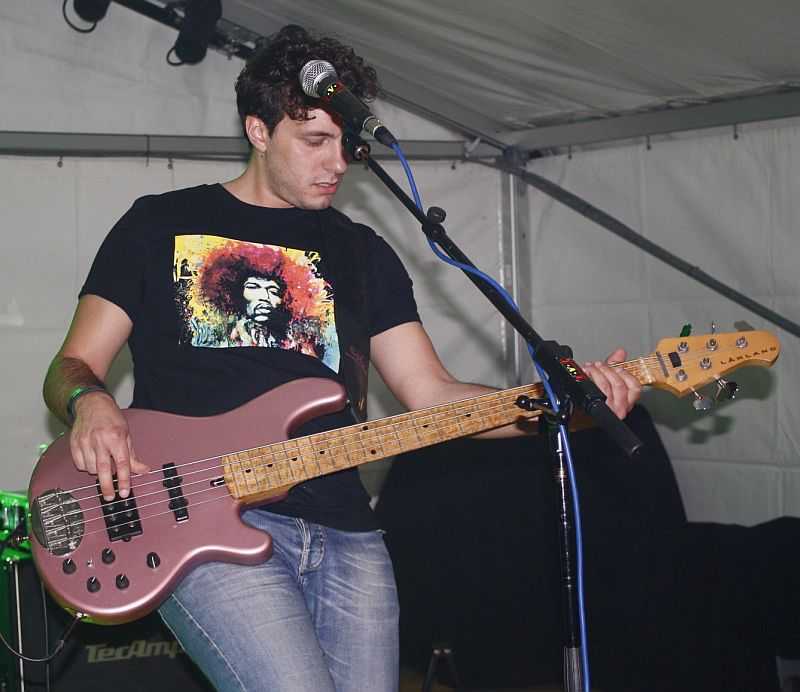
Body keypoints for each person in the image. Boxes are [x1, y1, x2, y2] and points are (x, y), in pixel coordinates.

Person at [42, 25, 643, 692]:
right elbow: (72, 365)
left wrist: (562, 406)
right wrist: (90, 402)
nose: (336, 163)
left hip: (348, 533)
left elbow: (431, 394)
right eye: (314, 141)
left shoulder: (364, 254)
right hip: (200, 522)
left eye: (346, 145)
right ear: (258, 130)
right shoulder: (157, 225)